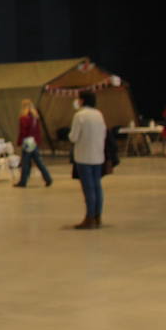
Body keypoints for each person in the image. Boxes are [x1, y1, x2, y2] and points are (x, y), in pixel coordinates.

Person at [69, 92, 108, 229]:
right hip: (98, 155)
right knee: (97, 186)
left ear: (82, 100)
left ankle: (89, 217)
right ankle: (97, 216)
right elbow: (104, 133)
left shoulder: (79, 115)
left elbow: (73, 137)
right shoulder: (99, 114)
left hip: (84, 156)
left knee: (88, 188)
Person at [14, 99, 53, 188]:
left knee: (25, 163)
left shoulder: (24, 118)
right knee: (38, 161)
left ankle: (23, 181)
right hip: (34, 141)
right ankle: (48, 178)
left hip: (27, 141)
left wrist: (19, 141)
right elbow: (37, 131)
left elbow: (23, 132)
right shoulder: (35, 117)